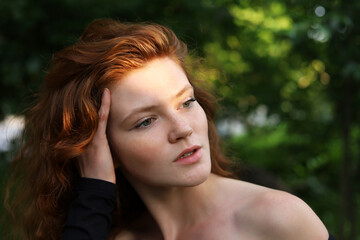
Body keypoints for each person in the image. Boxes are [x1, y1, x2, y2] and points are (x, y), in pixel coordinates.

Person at [5, 18, 336, 240]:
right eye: (146, 121)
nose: (183, 129)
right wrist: (94, 194)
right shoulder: (121, 236)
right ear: (102, 148)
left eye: (186, 102)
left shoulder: (276, 219)